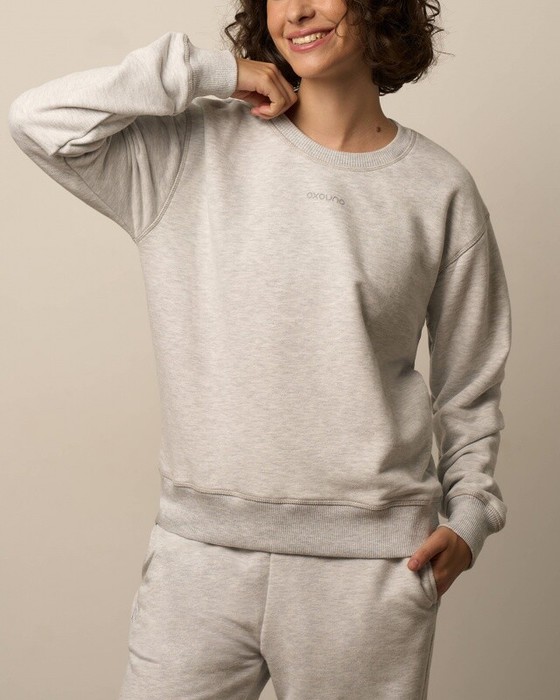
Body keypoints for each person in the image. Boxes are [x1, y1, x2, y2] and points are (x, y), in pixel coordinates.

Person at [8, 0, 512, 698]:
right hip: (199, 561)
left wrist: (471, 517)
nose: (297, 10)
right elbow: (36, 118)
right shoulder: (189, 149)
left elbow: (471, 383)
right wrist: (212, 72)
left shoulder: (438, 188)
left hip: (370, 572)